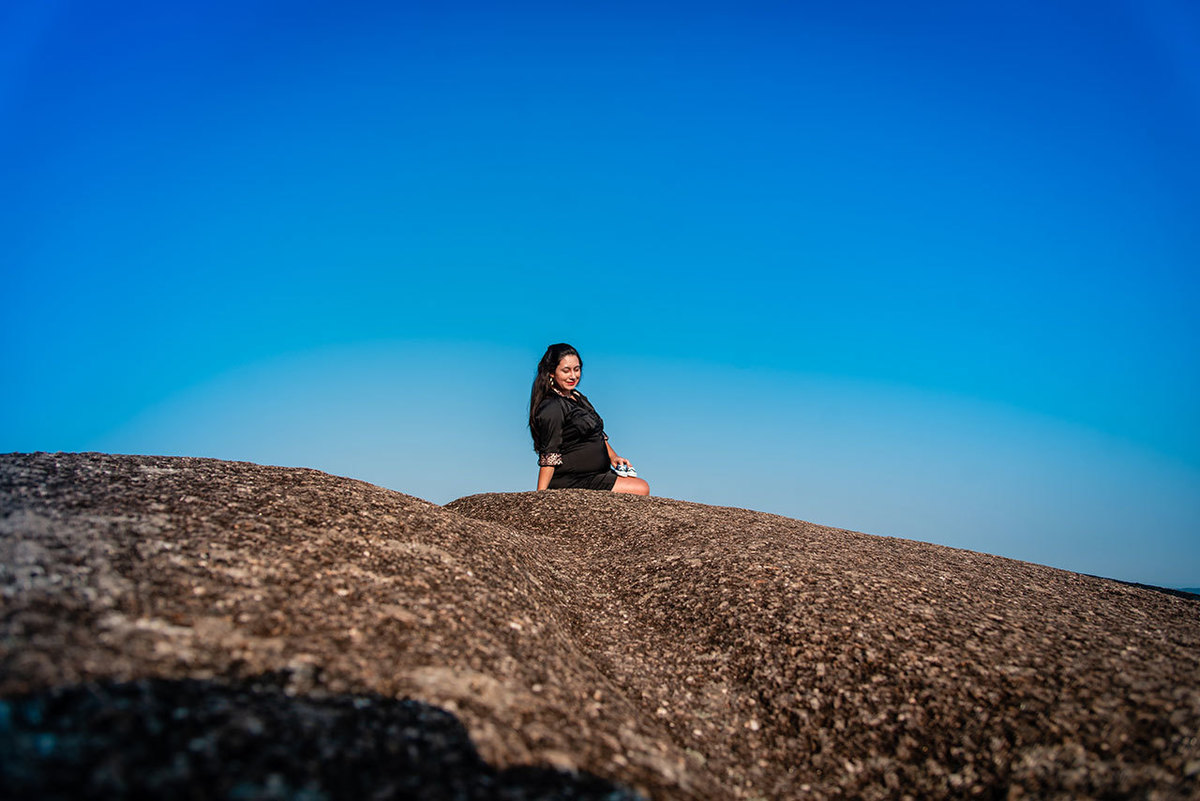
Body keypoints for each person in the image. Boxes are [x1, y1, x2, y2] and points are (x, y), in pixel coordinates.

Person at [529, 343, 650, 495]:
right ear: (552, 373)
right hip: (572, 479)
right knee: (641, 489)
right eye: (566, 371)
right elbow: (549, 453)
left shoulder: (577, 397)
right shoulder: (552, 406)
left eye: (577, 369)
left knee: (641, 486)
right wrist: (540, 494)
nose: (573, 376)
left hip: (595, 475)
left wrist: (613, 457)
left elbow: (597, 432)